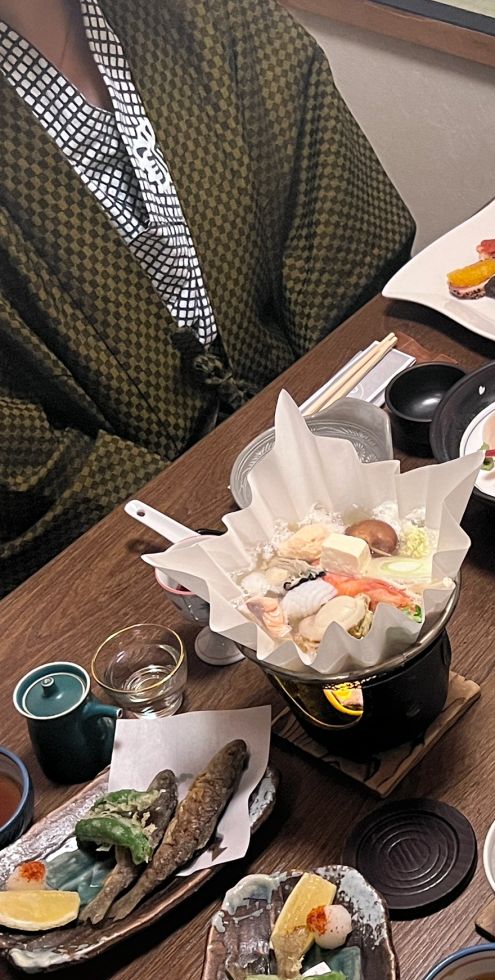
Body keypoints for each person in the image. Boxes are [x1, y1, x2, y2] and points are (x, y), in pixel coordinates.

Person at [0, 0, 415, 594]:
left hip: (325, 448)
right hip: (133, 535)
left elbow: (338, 226)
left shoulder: (213, 16)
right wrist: (201, 494)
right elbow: (18, 451)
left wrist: (303, 440)